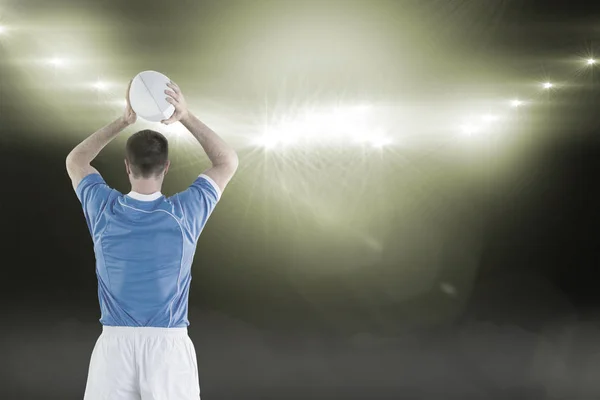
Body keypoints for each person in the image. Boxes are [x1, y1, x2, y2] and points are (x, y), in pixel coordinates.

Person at [65, 79, 239, 399]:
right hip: (168, 347)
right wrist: (185, 116)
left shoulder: (104, 209)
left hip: (114, 347)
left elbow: (76, 161)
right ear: (167, 167)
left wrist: (123, 120)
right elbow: (227, 161)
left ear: (127, 166)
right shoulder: (185, 213)